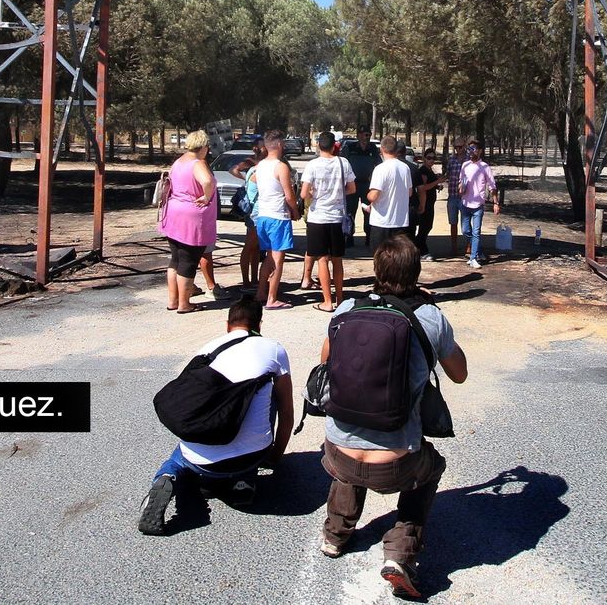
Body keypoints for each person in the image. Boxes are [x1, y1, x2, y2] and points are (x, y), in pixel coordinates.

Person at [318, 237, 469, 599]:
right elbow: (459, 373)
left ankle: (335, 535)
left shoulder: (347, 309)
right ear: (416, 273)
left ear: (376, 271)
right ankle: (401, 554)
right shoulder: (429, 317)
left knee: (354, 431)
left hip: (338, 454)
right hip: (396, 465)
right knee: (432, 467)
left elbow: (324, 362)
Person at [139, 296, 294, 535]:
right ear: (259, 325)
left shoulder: (208, 349)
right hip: (252, 454)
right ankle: (243, 480)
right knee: (270, 395)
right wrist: (274, 458)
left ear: (228, 324)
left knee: (178, 458)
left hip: (199, 458)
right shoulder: (274, 349)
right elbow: (286, 412)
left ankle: (168, 476)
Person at [160, 130, 218, 314]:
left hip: (173, 213)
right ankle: (184, 304)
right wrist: (206, 196)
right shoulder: (197, 163)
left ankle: (173, 300)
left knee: (175, 259)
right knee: (188, 260)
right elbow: (207, 181)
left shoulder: (179, 162)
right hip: (191, 217)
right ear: (204, 147)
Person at [301, 131, 357, 312]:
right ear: (334, 146)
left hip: (318, 217)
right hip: (337, 217)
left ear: (318, 145)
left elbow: (304, 193)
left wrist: (314, 194)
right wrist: (337, 193)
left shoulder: (312, 165)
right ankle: (340, 298)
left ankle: (327, 301)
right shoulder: (343, 163)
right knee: (337, 259)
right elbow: (352, 188)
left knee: (322, 259)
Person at [253, 132, 301, 310]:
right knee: (278, 259)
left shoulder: (260, 165)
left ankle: (260, 292)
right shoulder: (281, 167)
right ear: (280, 144)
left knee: (268, 258)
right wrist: (295, 211)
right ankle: (272, 298)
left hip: (263, 216)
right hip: (278, 216)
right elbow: (289, 196)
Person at [365, 136, 414, 248]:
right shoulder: (405, 167)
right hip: (400, 220)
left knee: (381, 257)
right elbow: (409, 192)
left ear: (381, 149)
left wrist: (368, 195)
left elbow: (373, 196)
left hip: (381, 222)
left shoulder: (380, 169)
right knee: (398, 259)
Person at [457, 142, 499, 269]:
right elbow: (461, 181)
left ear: (480, 151)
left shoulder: (485, 167)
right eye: (469, 149)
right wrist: (461, 188)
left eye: (474, 149)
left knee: (476, 232)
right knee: (465, 230)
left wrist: (496, 203)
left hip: (478, 205)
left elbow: (492, 187)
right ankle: (479, 251)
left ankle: (473, 258)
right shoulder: (465, 165)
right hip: (465, 203)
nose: (471, 151)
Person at [231, 142, 268, 288]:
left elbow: (233, 169)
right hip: (256, 214)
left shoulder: (251, 168)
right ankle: (246, 281)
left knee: (255, 249)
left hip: (254, 213)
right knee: (249, 248)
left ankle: (253, 279)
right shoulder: (258, 170)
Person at [341, 126, 381, 246]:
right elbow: (344, 164)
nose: (367, 137)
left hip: (367, 185)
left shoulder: (373, 148)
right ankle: (349, 237)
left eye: (368, 135)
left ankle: (369, 236)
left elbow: (379, 165)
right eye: (365, 134)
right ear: (358, 135)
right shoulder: (350, 147)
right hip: (353, 184)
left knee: (368, 211)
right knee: (350, 211)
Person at [411, 148, 442, 261]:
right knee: (425, 227)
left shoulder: (430, 170)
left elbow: (430, 185)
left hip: (430, 203)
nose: (431, 160)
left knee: (427, 226)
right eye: (429, 158)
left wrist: (437, 186)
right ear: (424, 158)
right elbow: (422, 188)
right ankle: (421, 250)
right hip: (425, 203)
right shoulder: (423, 171)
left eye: (433, 158)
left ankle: (417, 248)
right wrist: (437, 181)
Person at [443, 137, 467, 256]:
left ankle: (469, 245)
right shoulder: (451, 160)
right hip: (452, 196)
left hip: (465, 197)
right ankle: (454, 247)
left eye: (460, 147)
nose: (458, 149)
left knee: (466, 223)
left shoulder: (469, 160)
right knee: (453, 222)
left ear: (464, 146)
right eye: (456, 147)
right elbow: (447, 175)